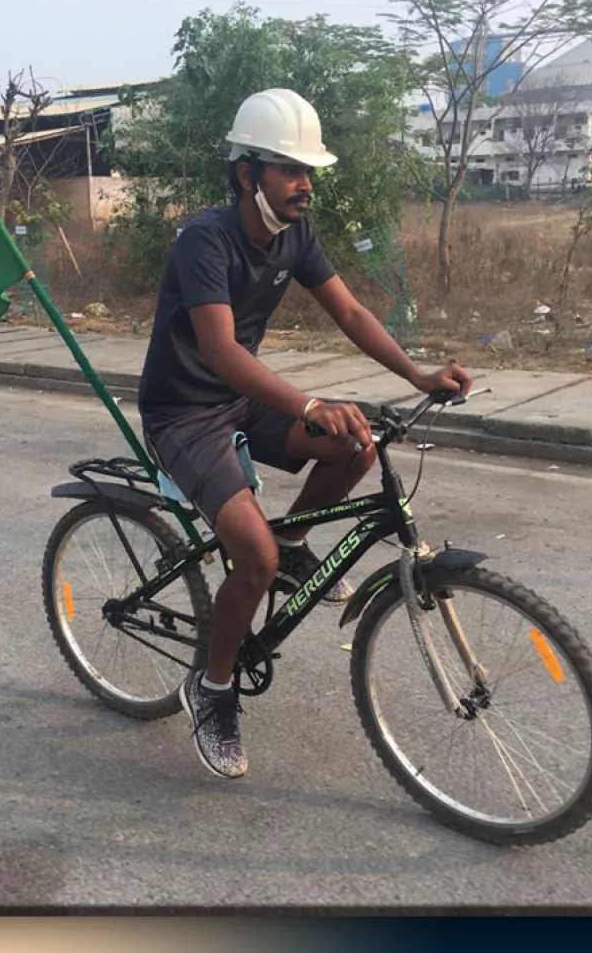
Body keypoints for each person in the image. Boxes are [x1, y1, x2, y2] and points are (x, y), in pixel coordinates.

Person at [136, 88, 471, 780]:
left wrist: (417, 375)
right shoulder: (207, 240)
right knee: (248, 561)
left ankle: (294, 543)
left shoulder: (296, 237)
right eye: (290, 169)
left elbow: (348, 311)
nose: (305, 183)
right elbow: (223, 351)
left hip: (241, 402)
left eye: (308, 170)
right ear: (247, 174)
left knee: (359, 442)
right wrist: (311, 401)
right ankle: (215, 687)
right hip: (184, 414)